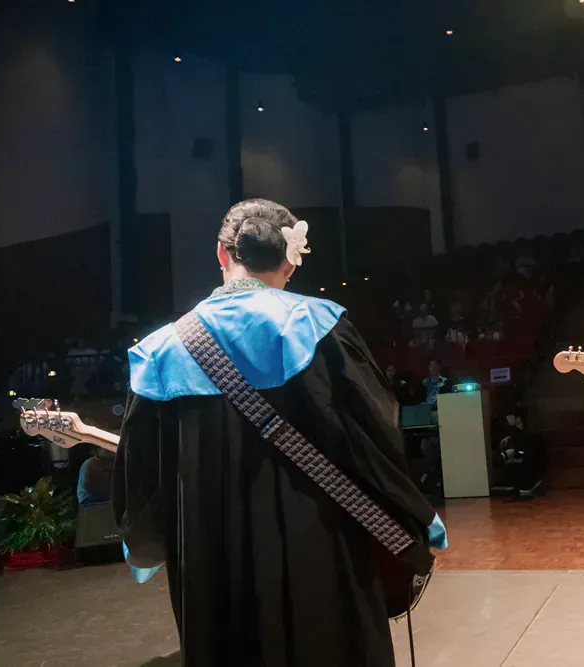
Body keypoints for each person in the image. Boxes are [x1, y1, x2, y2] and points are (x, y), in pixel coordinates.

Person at [113, 198, 448, 667]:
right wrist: (413, 513)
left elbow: (141, 474)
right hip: (318, 547)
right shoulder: (320, 325)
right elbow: (373, 436)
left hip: (210, 561)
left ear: (221, 254)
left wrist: (148, 542)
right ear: (291, 261)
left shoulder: (160, 350)